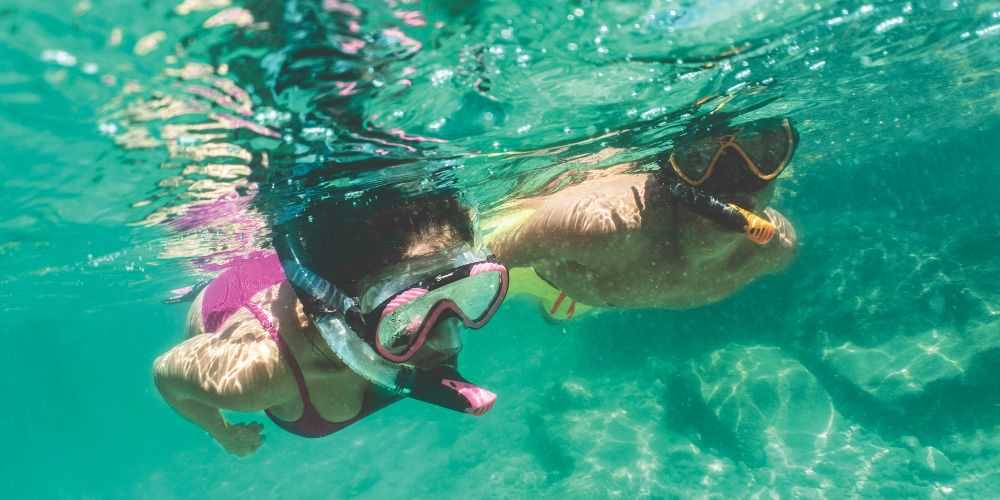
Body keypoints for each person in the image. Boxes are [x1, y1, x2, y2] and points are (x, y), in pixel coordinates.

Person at [153, 189, 508, 456]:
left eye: (463, 289)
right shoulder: (263, 371)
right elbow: (166, 374)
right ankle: (205, 274)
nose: (450, 341)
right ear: (344, 310)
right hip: (230, 291)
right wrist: (223, 433)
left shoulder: (419, 284)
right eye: (409, 307)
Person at [488, 116, 799, 317]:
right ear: (672, 173)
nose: (734, 179)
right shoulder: (599, 225)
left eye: (763, 154)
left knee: (561, 315)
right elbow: (486, 259)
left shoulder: (775, 249)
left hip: (594, 293)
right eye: (698, 158)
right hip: (535, 269)